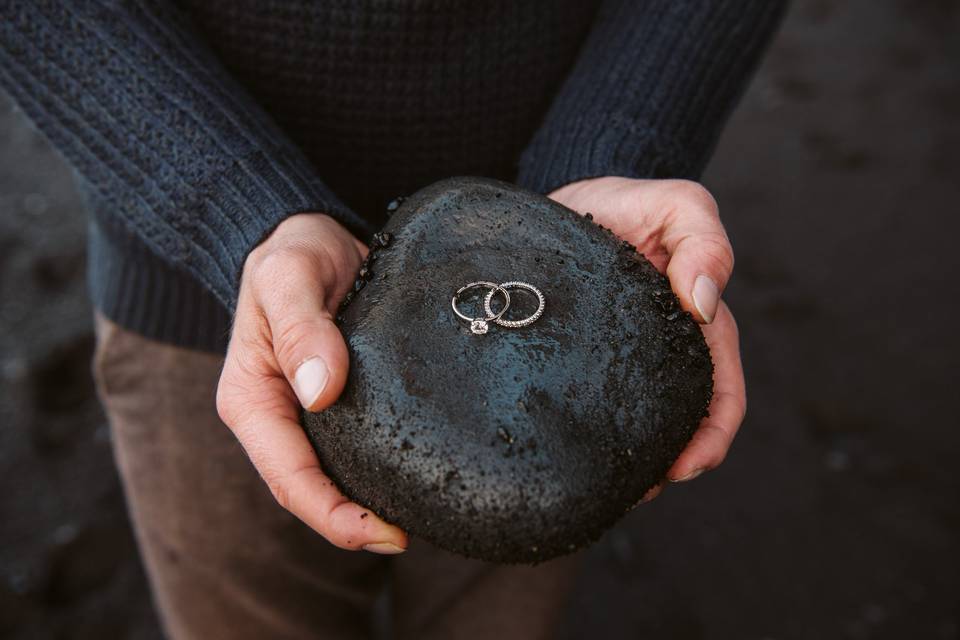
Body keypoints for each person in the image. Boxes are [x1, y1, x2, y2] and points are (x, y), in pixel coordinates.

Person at [0, 1, 787, 638]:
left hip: (563, 291)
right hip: (192, 290)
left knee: (511, 535)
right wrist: (231, 206)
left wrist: (610, 151)